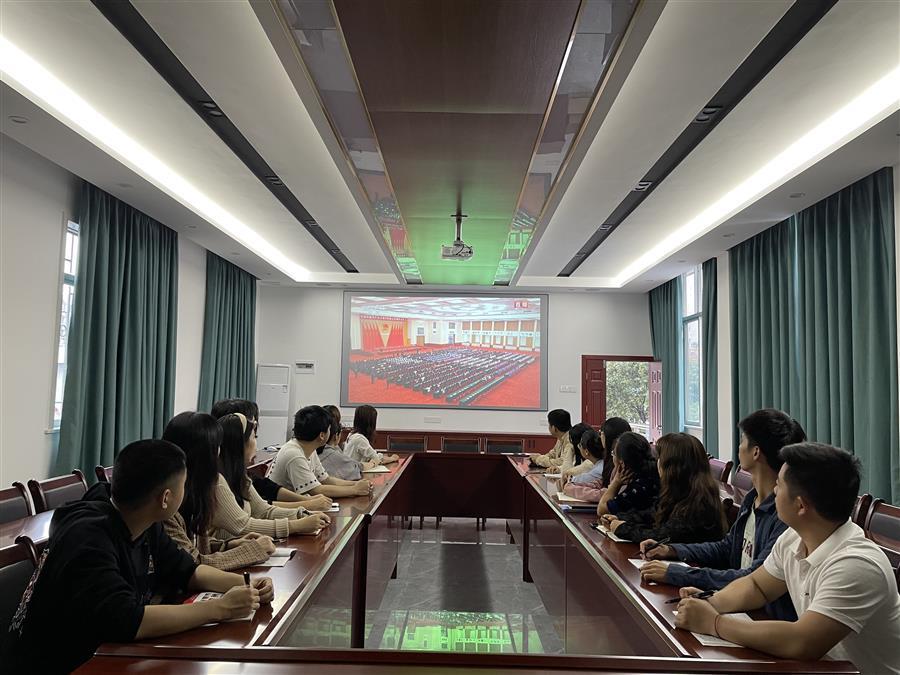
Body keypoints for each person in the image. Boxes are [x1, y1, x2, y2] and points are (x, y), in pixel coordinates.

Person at [1, 439, 274, 674]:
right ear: (165, 498)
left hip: (106, 653)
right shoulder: (86, 539)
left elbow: (186, 569)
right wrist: (221, 608)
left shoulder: (141, 519)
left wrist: (247, 587)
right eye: (184, 485)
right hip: (58, 665)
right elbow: (128, 620)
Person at [675, 443, 900, 675]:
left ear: (800, 505)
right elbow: (757, 586)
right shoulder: (794, 537)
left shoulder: (856, 564)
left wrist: (714, 623)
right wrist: (711, 603)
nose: (774, 491)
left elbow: (802, 642)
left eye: (779, 485)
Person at [639, 409, 804, 620]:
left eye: (742, 440)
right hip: (738, 605)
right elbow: (727, 548)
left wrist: (677, 573)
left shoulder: (785, 515)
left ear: (755, 452)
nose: (739, 446)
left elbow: (752, 578)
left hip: (763, 618)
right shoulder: (751, 498)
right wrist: (672, 550)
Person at [161, 411, 275, 570]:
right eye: (216, 447)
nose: (219, 452)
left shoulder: (194, 492)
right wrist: (253, 550)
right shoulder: (167, 507)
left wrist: (229, 545)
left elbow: (191, 545)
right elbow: (192, 565)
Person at [213, 412, 331, 539]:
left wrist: (301, 514)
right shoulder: (217, 482)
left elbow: (263, 511)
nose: (256, 443)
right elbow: (243, 526)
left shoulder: (240, 476)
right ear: (239, 444)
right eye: (254, 437)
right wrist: (297, 525)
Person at [604, 433, 726, 545]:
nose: (656, 462)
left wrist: (622, 528)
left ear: (672, 468)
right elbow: (652, 514)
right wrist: (621, 518)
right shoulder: (679, 492)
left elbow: (663, 536)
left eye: (660, 458)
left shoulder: (698, 503)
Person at [211, 399, 331, 512]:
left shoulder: (239, 471)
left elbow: (266, 489)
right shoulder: (218, 480)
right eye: (252, 430)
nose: (254, 428)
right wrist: (306, 504)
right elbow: (254, 513)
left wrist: (306, 500)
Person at [270, 406, 375, 499]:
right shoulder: (294, 454)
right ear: (322, 435)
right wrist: (355, 490)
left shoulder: (309, 448)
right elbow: (316, 490)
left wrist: (356, 484)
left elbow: (326, 480)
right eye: (329, 429)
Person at [596, 431, 659, 517]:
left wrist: (616, 483)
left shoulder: (636, 489)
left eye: (613, 454)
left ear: (622, 463)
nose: (612, 457)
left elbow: (601, 510)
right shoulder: (654, 475)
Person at [318, 410, 373, 480]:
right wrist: (373, 463)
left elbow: (327, 480)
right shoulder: (331, 453)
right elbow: (356, 469)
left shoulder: (318, 450)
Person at [562, 428, 607, 501]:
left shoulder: (598, 469)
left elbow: (575, 480)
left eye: (580, 445)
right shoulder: (598, 464)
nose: (578, 446)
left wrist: (570, 479)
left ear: (586, 451)